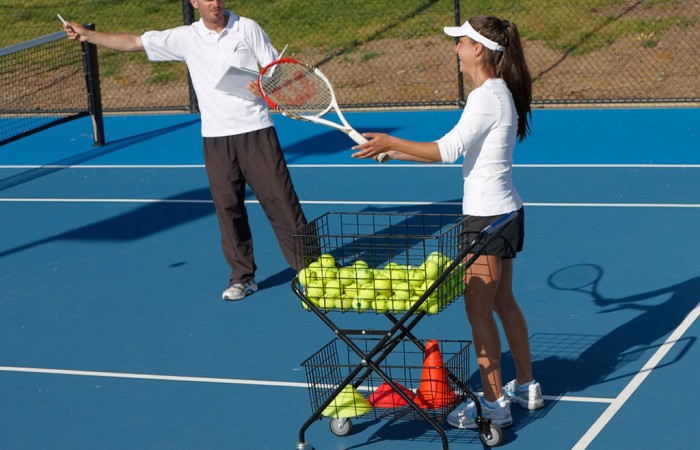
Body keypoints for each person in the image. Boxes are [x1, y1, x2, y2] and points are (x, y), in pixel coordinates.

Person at [352, 15, 544, 428]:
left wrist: (391, 138)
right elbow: (461, 151)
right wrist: (395, 153)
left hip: (486, 219)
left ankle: (494, 405)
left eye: (460, 42)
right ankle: (526, 386)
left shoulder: (485, 97)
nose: (455, 49)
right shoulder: (498, 92)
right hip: (506, 212)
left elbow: (448, 150)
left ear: (478, 49)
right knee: (503, 302)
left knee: (479, 313)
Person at [62, 0, 308, 301]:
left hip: (256, 131)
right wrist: (88, 35)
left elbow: (276, 71)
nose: (215, 3)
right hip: (215, 139)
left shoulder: (247, 28)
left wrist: (266, 85)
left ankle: (309, 270)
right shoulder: (186, 37)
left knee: (281, 202)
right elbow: (134, 42)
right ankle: (242, 277)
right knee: (227, 208)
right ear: (195, 2)